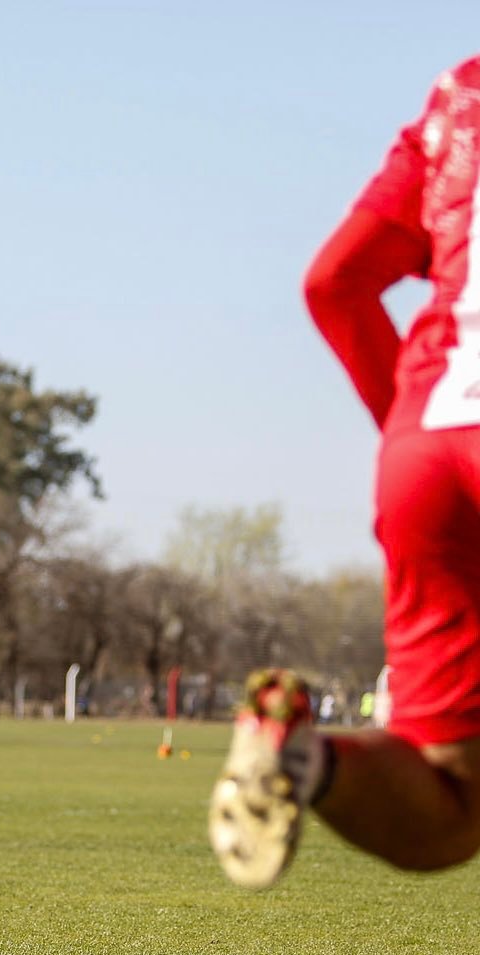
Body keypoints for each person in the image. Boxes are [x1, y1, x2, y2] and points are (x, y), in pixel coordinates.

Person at [210, 54, 480, 889]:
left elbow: (334, 284)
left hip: (431, 445)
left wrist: (413, 442)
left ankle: (305, 757)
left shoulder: (461, 92)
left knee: (452, 811)